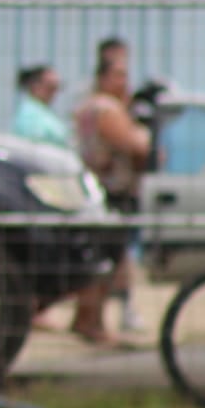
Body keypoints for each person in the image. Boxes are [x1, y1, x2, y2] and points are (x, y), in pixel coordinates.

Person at [71, 57, 152, 344]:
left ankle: (89, 320)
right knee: (106, 259)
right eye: (119, 75)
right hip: (111, 193)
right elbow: (135, 146)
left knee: (101, 258)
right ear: (103, 77)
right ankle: (92, 323)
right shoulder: (106, 109)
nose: (125, 82)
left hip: (95, 191)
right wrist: (143, 132)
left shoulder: (86, 106)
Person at [12, 64, 68, 148]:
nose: (54, 94)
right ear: (35, 85)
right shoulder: (29, 115)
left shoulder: (42, 111)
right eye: (50, 87)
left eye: (56, 88)